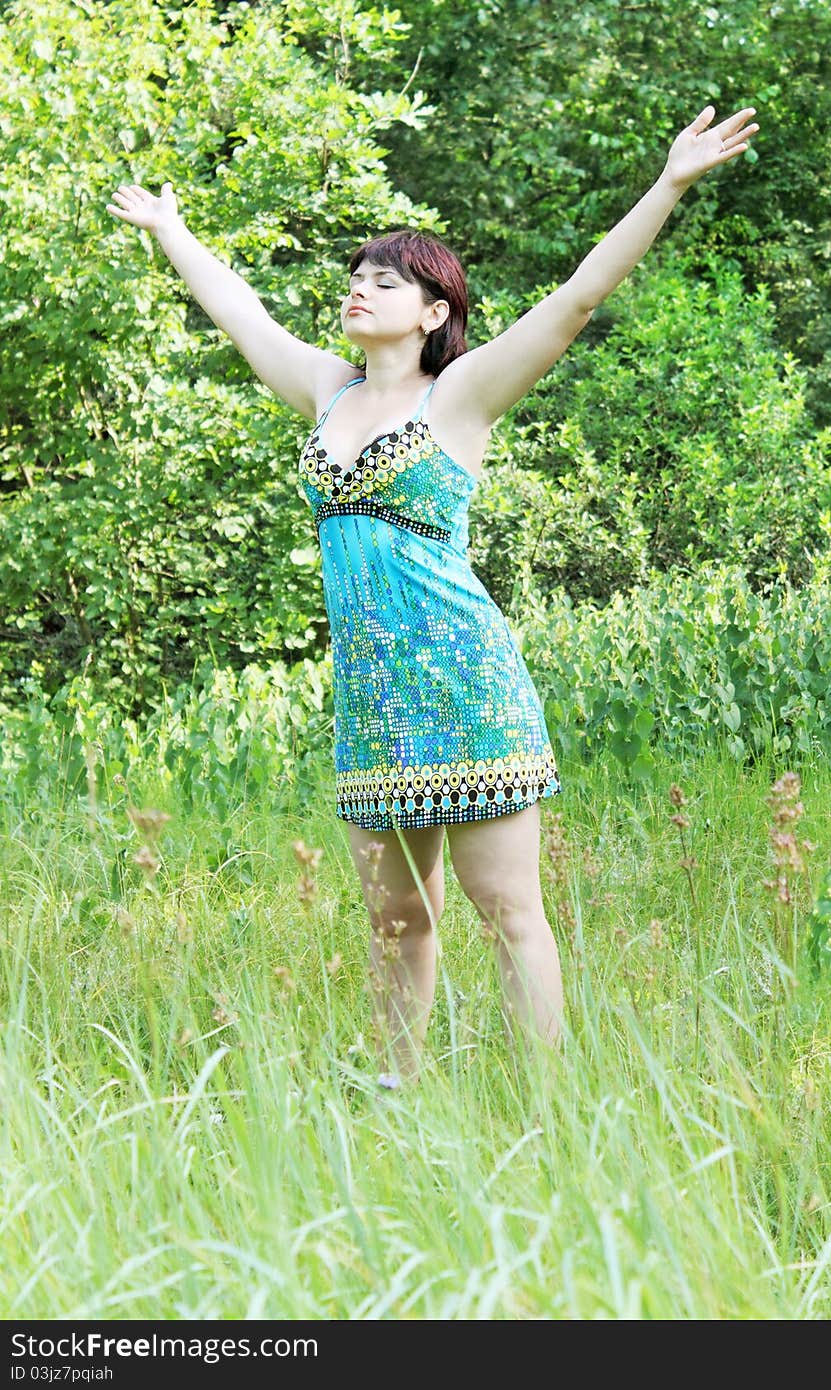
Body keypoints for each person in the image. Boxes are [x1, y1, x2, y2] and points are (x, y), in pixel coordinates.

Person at [108, 102, 758, 1086]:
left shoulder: (459, 398)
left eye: (386, 280)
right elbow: (241, 316)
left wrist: (666, 184)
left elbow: (576, 298)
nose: (360, 289)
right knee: (396, 917)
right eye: (356, 277)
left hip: (465, 682)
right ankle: (396, 1085)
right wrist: (173, 232)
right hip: (372, 702)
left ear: (434, 311)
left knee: (506, 908)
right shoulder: (325, 391)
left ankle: (541, 1102)